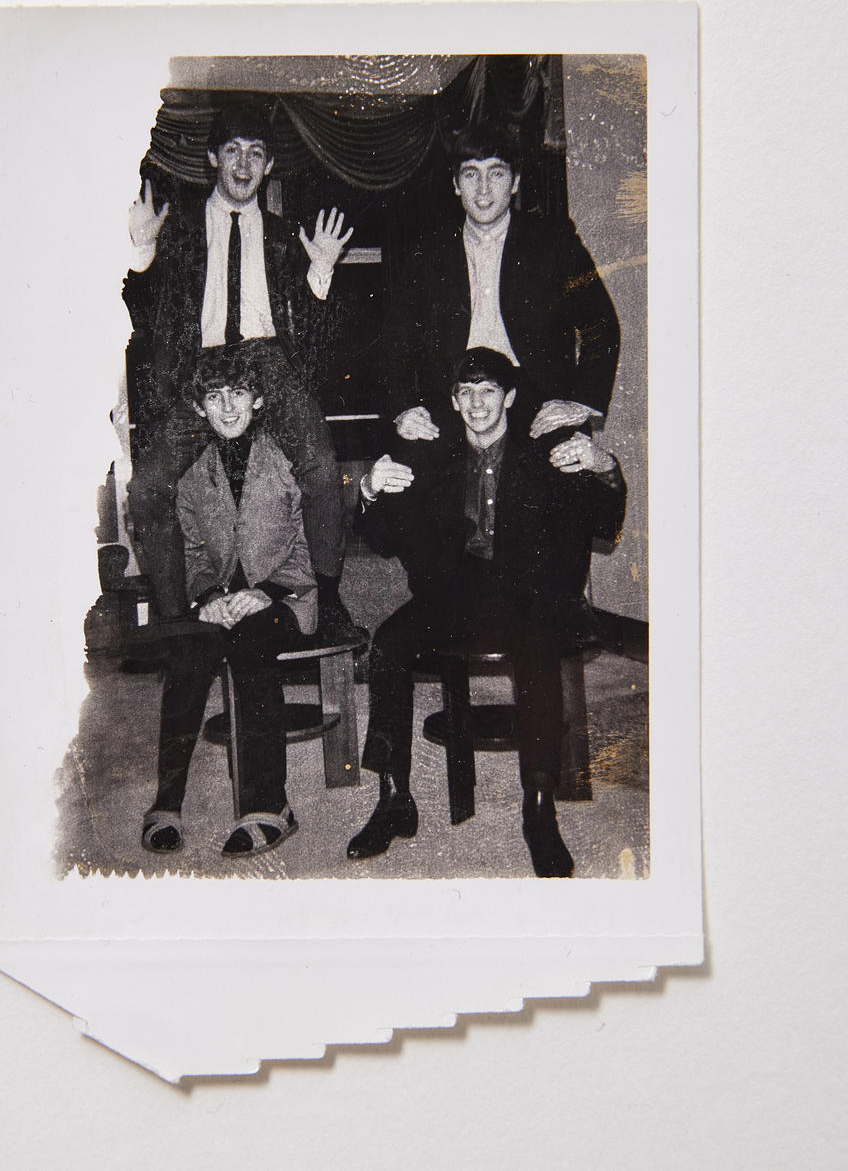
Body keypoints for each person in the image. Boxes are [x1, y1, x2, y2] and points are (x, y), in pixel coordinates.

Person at [346, 348, 626, 877]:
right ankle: (394, 797)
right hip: (454, 597)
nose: (477, 403)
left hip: (530, 597)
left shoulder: (544, 451)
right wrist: (367, 490)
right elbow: (381, 539)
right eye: (466, 392)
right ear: (453, 402)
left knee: (538, 647)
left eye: (489, 391)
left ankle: (539, 810)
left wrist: (604, 466)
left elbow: (604, 523)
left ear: (510, 398)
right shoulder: (430, 457)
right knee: (388, 644)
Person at [123, 101, 361, 638]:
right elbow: (139, 316)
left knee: (323, 471)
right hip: (200, 372)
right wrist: (142, 251)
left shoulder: (285, 235)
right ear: (213, 158)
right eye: (232, 150)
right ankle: (177, 620)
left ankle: (328, 602)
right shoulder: (178, 230)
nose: (244, 164)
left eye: (256, 153)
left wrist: (321, 271)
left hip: (268, 363)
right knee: (147, 488)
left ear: (269, 165)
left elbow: (316, 340)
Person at [140, 346, 316, 859]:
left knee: (251, 646)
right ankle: (167, 802)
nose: (228, 407)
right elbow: (193, 551)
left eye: (238, 393)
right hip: (221, 601)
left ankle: (270, 805)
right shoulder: (192, 472)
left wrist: (266, 592)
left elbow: (311, 542)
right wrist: (208, 596)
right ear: (199, 409)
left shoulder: (286, 459)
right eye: (214, 398)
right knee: (188, 652)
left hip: (285, 596)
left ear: (257, 399)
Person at [385, 122, 620, 446]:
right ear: (456, 184)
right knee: (412, 474)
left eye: (496, 174)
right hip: (453, 406)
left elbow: (601, 324)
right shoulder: (427, 251)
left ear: (515, 182)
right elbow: (395, 341)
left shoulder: (553, 240)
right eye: (471, 174)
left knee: (566, 475)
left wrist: (581, 403)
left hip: (538, 407)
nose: (483, 190)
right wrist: (404, 409)